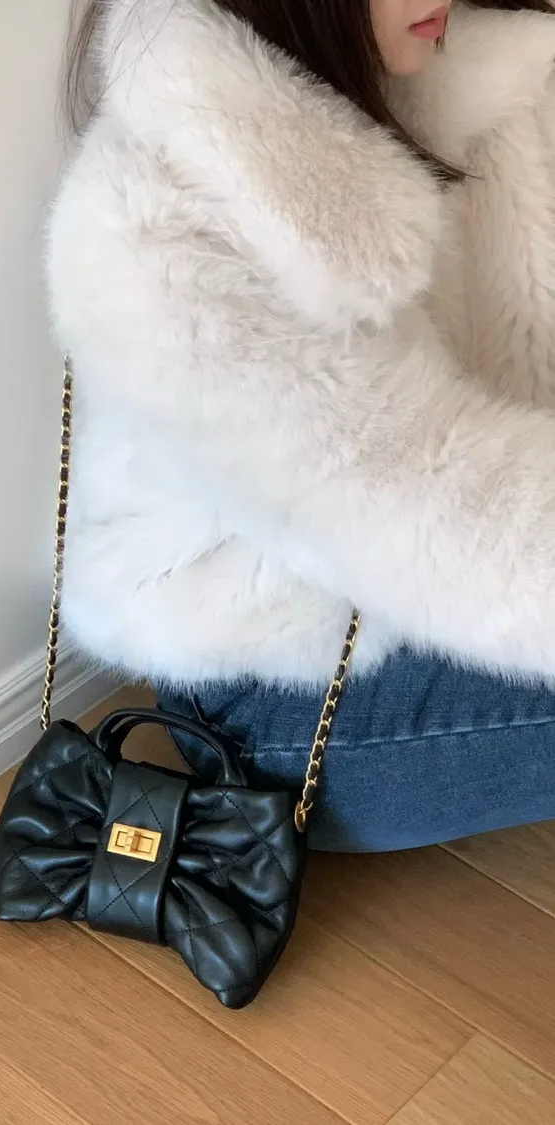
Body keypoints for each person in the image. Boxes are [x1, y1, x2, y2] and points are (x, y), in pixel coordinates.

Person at [46, 0, 555, 851]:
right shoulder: (155, 229)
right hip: (286, 694)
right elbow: (422, 507)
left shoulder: (470, 77)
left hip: (438, 588)